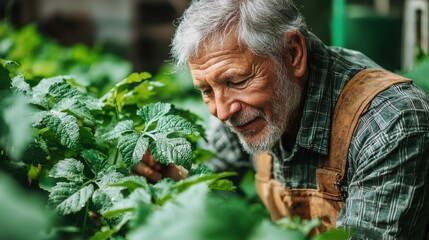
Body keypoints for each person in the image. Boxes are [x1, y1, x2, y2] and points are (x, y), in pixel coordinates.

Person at [133, 0, 429, 238]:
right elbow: (207, 183)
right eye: (206, 90)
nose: (223, 112)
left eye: (236, 81)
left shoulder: (389, 123)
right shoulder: (247, 108)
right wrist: (166, 174)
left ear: (293, 53)